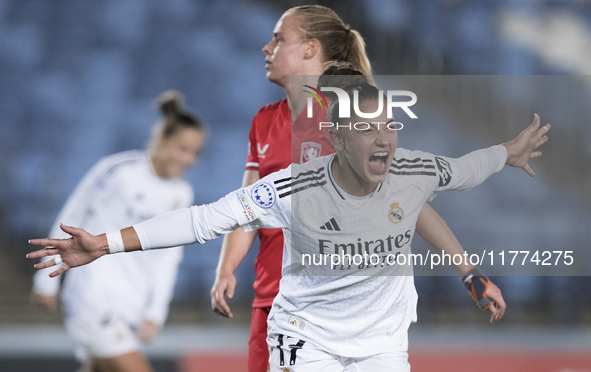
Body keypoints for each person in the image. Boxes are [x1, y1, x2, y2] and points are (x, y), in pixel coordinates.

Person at [27, 83, 550, 371]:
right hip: (308, 340)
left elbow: (467, 168)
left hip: (383, 344)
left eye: (390, 124)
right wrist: (107, 243)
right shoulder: (292, 188)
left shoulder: (413, 170)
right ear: (339, 140)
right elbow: (204, 220)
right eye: (367, 129)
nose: (385, 138)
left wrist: (508, 154)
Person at [210, 5, 505, 371]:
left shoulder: (352, 124)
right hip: (273, 301)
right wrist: (227, 268)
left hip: (339, 312)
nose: (266, 48)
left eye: (278, 39)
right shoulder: (264, 121)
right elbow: (248, 208)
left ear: (309, 48)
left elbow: (407, 204)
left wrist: (468, 272)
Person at [30, 91, 205, 372]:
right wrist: (45, 281)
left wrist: (155, 312)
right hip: (94, 296)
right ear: (162, 140)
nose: (189, 159)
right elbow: (71, 217)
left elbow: (168, 258)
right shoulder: (118, 171)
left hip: (130, 306)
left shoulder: (182, 193)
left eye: (196, 152)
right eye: (183, 148)